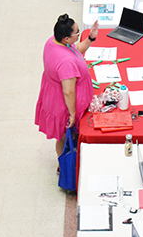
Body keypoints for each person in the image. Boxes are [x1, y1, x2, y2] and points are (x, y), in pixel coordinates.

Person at [35, 13, 97, 156]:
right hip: (64, 105)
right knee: (65, 135)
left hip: (53, 97)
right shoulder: (65, 62)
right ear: (66, 38)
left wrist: (91, 38)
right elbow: (68, 91)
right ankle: (65, 164)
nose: (78, 35)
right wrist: (73, 114)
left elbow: (75, 52)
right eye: (77, 33)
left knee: (65, 135)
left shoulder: (53, 42)